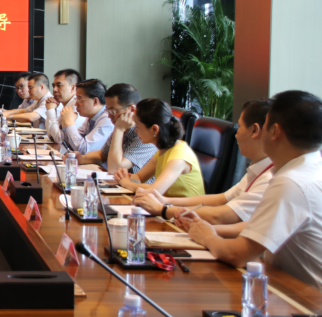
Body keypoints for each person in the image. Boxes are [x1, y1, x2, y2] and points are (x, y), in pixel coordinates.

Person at [183, 91, 322, 292]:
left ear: (275, 131)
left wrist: (207, 237)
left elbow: (237, 254)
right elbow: (264, 227)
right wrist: (210, 230)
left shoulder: (290, 183)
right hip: (289, 290)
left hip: (304, 301)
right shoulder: (310, 169)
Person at [134, 98, 273, 224]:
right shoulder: (256, 172)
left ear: (254, 130)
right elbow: (220, 199)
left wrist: (164, 209)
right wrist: (166, 201)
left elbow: (220, 216)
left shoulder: (269, 179)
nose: (236, 134)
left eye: (240, 126)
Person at [113, 98, 205, 197]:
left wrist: (126, 183)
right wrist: (123, 176)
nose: (135, 130)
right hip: (166, 205)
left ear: (154, 129)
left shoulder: (179, 155)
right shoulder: (162, 150)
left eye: (138, 126)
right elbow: (139, 177)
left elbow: (155, 190)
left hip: (184, 207)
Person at [76, 83, 157, 175]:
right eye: (107, 111)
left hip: (136, 184)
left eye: (113, 111)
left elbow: (114, 168)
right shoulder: (122, 126)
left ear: (131, 110)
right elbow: (102, 155)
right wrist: (81, 158)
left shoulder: (145, 133)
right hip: (121, 182)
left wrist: (119, 129)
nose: (109, 116)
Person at [56, 79, 113, 154]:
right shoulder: (90, 118)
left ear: (95, 101)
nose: (75, 104)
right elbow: (67, 142)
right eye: (76, 99)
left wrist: (70, 123)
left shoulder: (108, 119)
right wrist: (65, 124)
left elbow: (84, 150)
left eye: (79, 99)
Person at [44, 69, 86, 144]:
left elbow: (59, 139)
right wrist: (51, 110)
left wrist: (51, 110)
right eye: (53, 86)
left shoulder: (76, 106)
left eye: (59, 85)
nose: (54, 89)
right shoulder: (66, 105)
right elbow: (51, 135)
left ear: (73, 88)